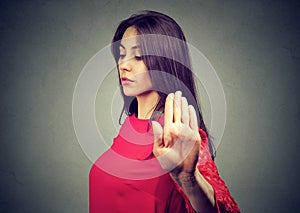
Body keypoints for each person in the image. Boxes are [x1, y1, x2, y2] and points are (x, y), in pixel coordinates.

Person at [89, 10, 240, 213]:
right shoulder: (129, 130)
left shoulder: (179, 134)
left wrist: (189, 179)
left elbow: (223, 209)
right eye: (122, 54)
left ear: (165, 61)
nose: (123, 65)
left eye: (139, 56)